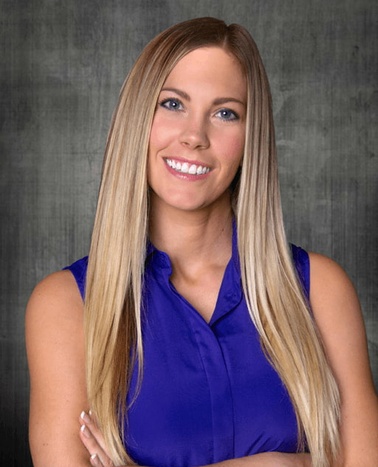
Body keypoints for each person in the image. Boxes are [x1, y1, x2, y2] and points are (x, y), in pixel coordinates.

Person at [25, 17, 377, 467]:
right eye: (172, 104)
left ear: (251, 139)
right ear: (138, 119)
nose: (194, 135)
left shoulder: (320, 289)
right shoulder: (65, 306)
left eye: (225, 112)